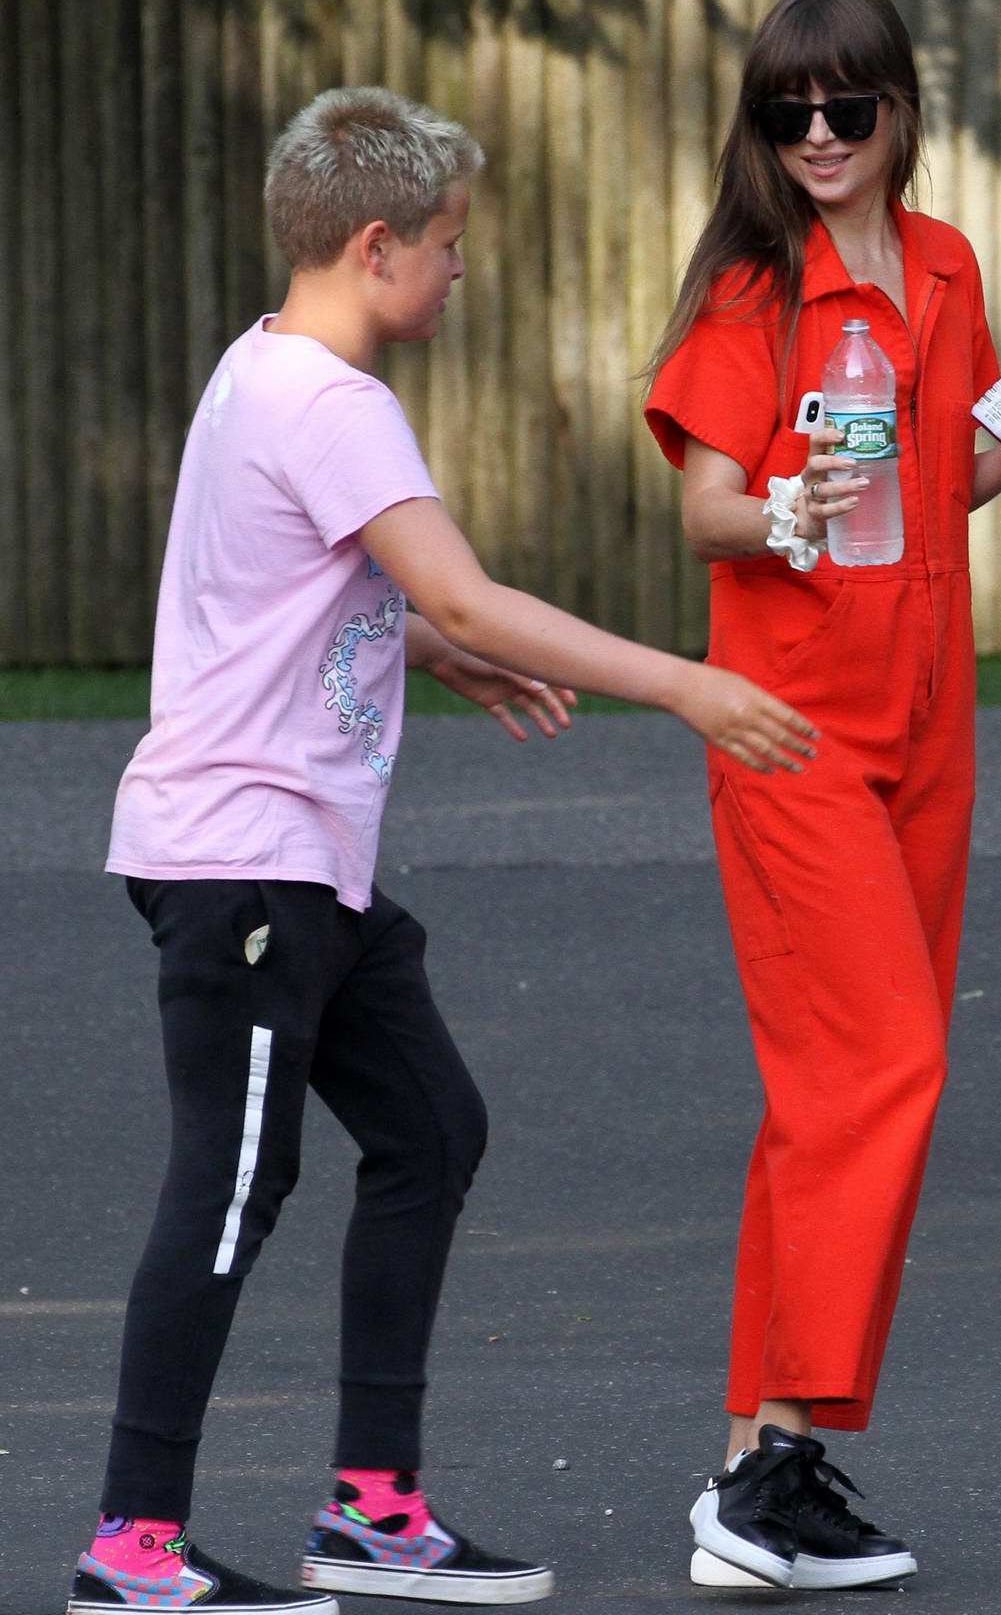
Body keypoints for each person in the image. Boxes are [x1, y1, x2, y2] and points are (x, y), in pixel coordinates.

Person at [66, 87, 819, 1615]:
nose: (463, 271)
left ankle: (372, 1507)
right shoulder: (331, 404)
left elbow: (294, 594)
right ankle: (132, 1546)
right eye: (452, 247)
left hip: (304, 868)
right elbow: (470, 590)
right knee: (232, 1183)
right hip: (243, 862)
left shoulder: (255, 368)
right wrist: (685, 683)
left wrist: (419, 651)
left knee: (431, 1129)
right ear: (374, 243)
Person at [643, 0, 1001, 1593]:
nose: (820, 135)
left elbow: (937, 483)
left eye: (848, 107)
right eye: (790, 111)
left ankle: (758, 1476)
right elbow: (706, 509)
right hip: (792, 734)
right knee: (883, 1068)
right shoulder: (755, 291)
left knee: (825, 1101)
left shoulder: (951, 266)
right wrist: (782, 498)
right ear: (765, 129)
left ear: (902, 109)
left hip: (927, 732)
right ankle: (773, 1458)